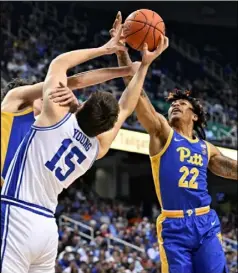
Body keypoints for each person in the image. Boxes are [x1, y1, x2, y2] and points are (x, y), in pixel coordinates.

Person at [1, 14, 169, 273]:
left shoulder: (52, 118)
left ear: (81, 105)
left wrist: (107, 48)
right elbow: (126, 107)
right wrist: (140, 68)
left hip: (17, 211)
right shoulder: (96, 148)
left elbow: (61, 64)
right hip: (47, 226)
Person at [114, 12, 237, 273]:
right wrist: (123, 55)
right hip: (174, 226)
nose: (176, 106)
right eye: (173, 105)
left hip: (205, 222)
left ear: (195, 115)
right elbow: (138, 98)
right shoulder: (162, 134)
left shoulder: (206, 148)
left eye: (182, 104)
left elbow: (230, 168)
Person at [1, 62, 139, 186]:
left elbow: (75, 82)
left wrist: (74, 109)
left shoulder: (51, 126)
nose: (43, 98)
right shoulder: (12, 117)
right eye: (37, 96)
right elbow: (76, 82)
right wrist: (125, 70)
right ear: (24, 102)